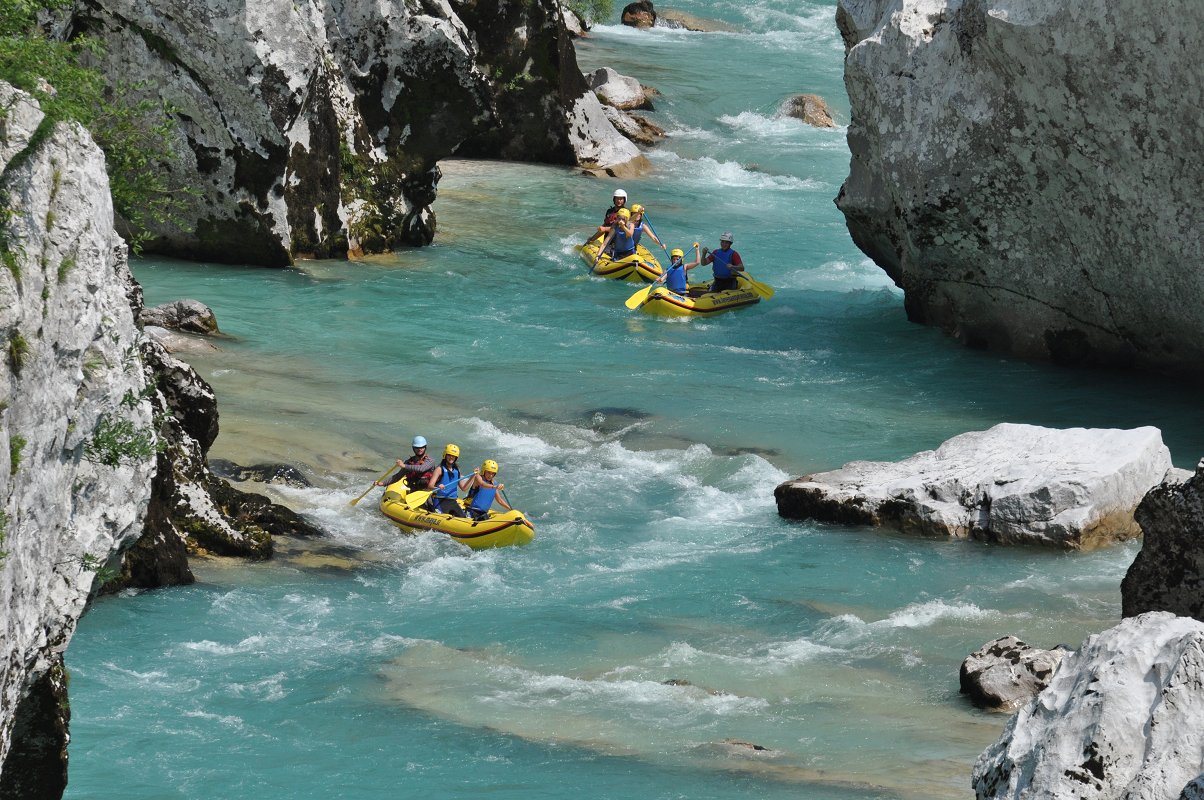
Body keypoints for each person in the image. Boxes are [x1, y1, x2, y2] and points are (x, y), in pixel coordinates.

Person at [426, 443, 470, 517]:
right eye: (449, 455)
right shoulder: (439, 469)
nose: (451, 457)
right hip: (440, 501)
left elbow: (464, 488)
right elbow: (430, 486)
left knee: (464, 518)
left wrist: (473, 477)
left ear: (456, 458)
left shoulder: (457, 470)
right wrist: (438, 487)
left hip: (453, 502)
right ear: (445, 455)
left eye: (453, 456)